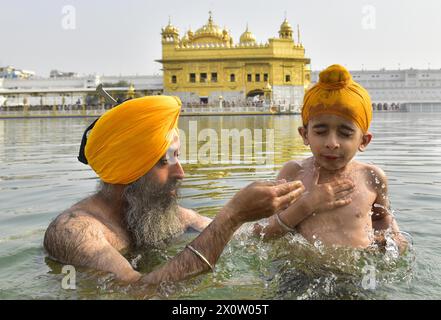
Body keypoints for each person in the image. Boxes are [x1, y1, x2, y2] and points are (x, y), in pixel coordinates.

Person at [43, 95, 305, 285]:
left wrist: (305, 206)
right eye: (164, 161)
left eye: (177, 157)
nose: (180, 173)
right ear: (128, 171)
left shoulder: (173, 217)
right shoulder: (75, 231)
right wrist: (231, 216)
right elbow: (139, 292)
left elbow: (251, 237)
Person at [255, 64, 407, 252]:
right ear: (305, 135)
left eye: (345, 133)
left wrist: (394, 240)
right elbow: (264, 234)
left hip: (357, 276)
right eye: (320, 131)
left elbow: (382, 219)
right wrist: (307, 204)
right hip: (301, 275)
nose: (332, 143)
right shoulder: (294, 173)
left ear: (363, 140)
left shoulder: (372, 177)